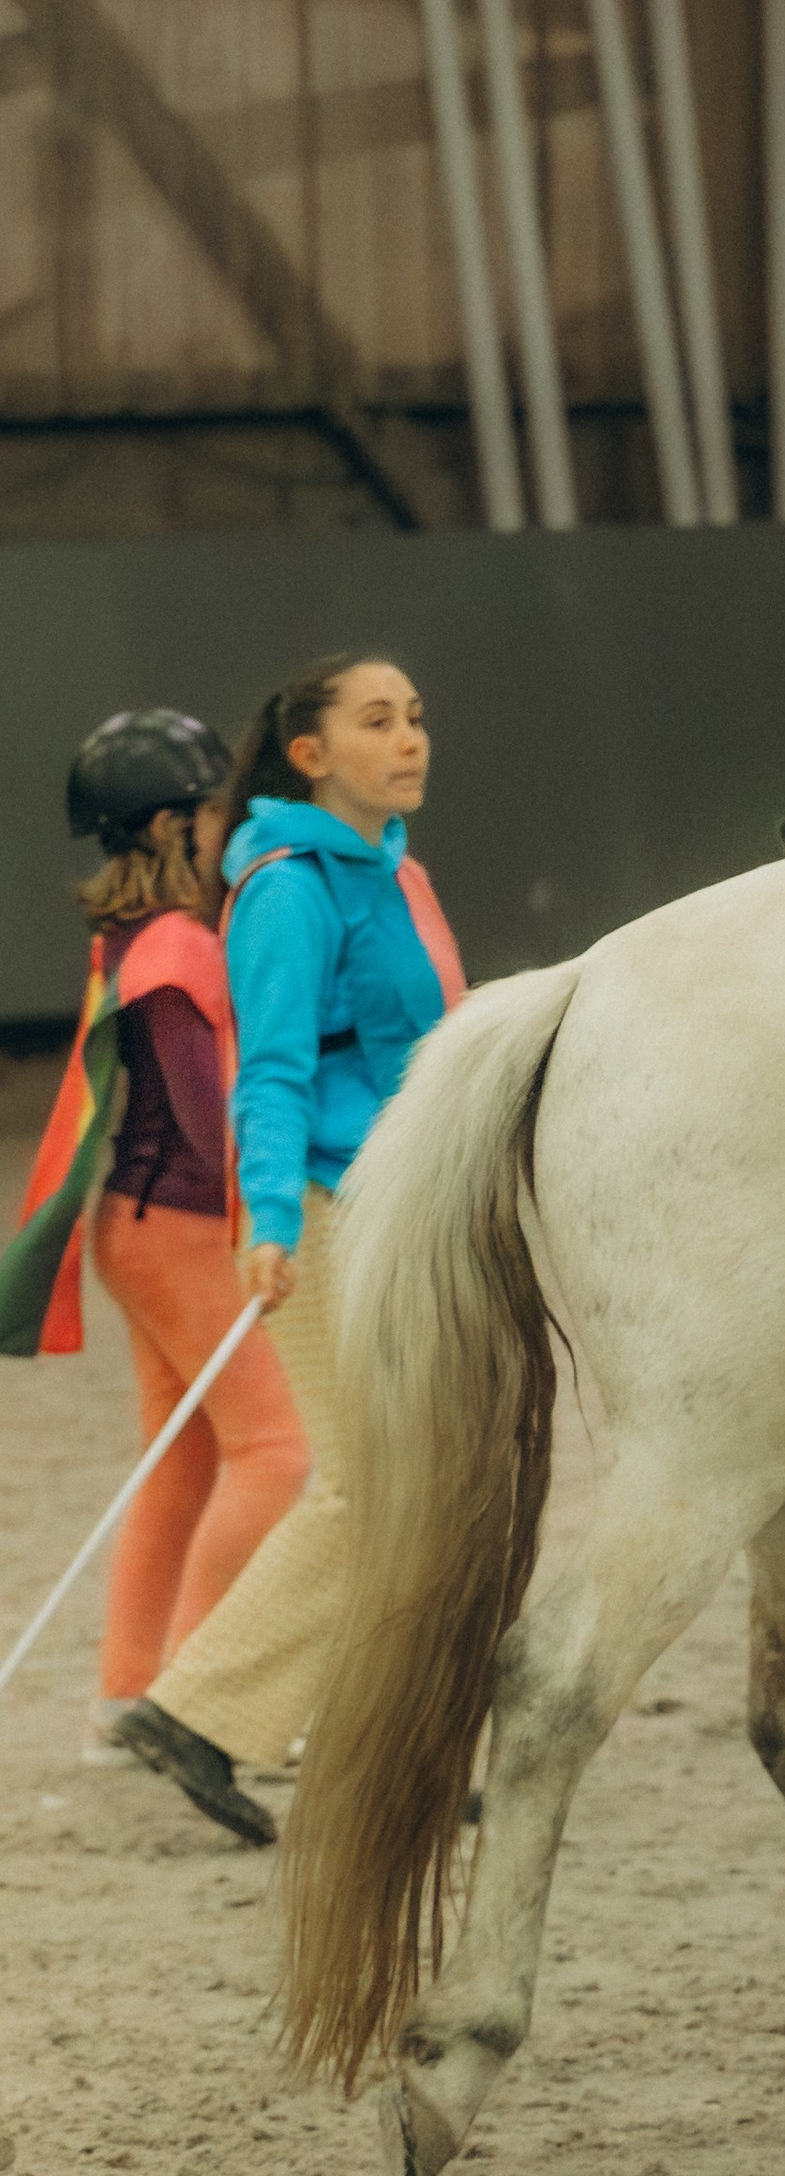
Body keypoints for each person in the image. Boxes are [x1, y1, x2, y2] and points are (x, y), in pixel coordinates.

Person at [115, 652, 464, 1846]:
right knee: (368, 1487)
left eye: (415, 717)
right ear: (310, 755)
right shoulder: (286, 886)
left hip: (403, 1203)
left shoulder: (390, 868)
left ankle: (395, 1747)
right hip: (322, 1215)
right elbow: (268, 1072)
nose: (409, 737)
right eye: (378, 721)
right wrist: (267, 1223)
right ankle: (195, 1712)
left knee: (425, 1487)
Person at [0, 712, 307, 1797]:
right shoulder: (178, 950)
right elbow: (207, 1112)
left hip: (141, 1227)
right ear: (175, 825)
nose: (234, 822)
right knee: (279, 1453)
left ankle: (125, 1701)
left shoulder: (140, 938)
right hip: (180, 1230)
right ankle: (196, 1697)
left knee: (181, 1466)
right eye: (216, 807)